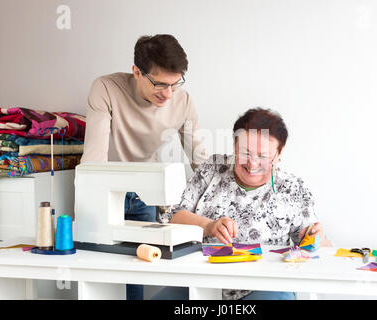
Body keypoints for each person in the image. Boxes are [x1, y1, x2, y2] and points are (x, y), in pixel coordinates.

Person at [156, 107, 331, 300]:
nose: (253, 163)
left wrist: (316, 238)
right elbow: (171, 217)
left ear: (279, 155)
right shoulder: (213, 168)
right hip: (200, 281)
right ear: (234, 147)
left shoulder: (291, 188)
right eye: (245, 153)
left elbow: (314, 248)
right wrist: (208, 225)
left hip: (263, 288)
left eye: (263, 156)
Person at [80, 34, 207, 299]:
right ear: (136, 72)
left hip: (144, 196)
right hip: (103, 192)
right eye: (160, 84)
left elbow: (200, 160)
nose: (169, 94)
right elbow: (93, 161)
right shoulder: (106, 89)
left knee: (137, 274)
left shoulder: (181, 102)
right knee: (98, 272)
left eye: (175, 84)